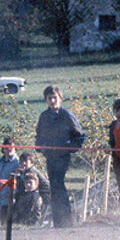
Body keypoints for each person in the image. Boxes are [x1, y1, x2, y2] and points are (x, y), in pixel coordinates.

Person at [34, 85, 86, 228]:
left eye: (54, 97)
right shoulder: (44, 116)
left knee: (58, 184)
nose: (52, 100)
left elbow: (80, 135)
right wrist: (41, 147)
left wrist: (71, 148)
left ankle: (66, 220)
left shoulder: (67, 116)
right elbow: (39, 135)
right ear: (46, 100)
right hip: (50, 155)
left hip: (62, 156)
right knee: (54, 186)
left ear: (60, 99)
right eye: (49, 98)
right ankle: (59, 221)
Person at [0, 137, 21, 223]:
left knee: (9, 224)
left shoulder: (17, 163)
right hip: (0, 197)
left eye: (11, 147)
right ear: (3, 149)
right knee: (3, 223)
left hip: (11, 198)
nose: (9, 150)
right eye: (7, 148)